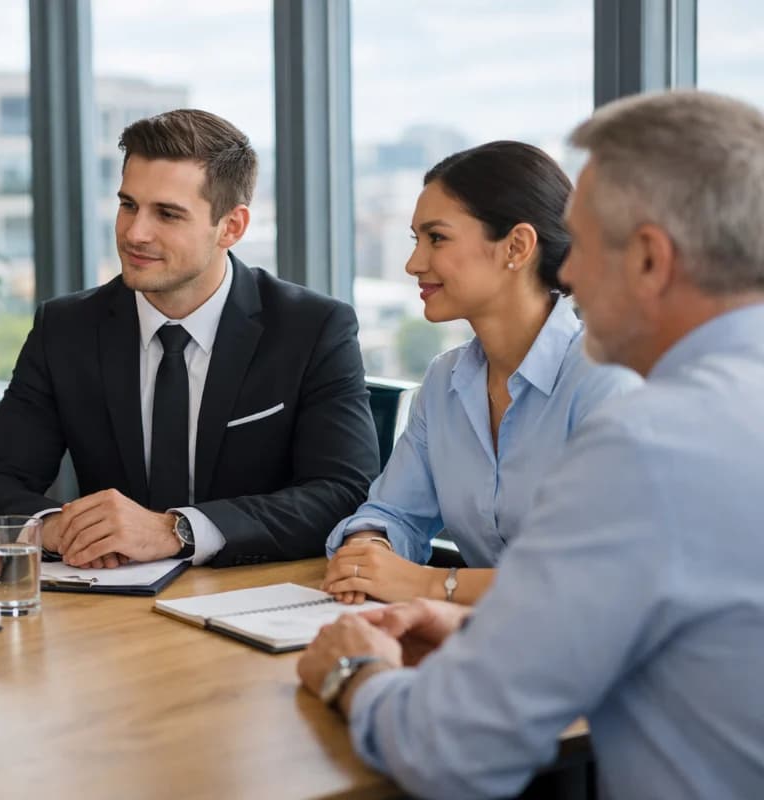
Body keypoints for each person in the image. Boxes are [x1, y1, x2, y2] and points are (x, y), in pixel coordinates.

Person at [298, 89, 764, 799]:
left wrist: (351, 668)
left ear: (649, 258)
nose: (568, 271)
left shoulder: (650, 441)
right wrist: (498, 633)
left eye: (583, 246)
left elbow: (450, 749)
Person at [0, 109, 379, 568]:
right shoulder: (66, 328)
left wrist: (177, 530)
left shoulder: (312, 328)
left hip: (252, 595)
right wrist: (57, 528)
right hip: (110, 609)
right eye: (128, 205)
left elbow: (343, 494)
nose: (135, 233)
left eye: (168, 214)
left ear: (231, 226)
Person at [322, 142, 639, 605]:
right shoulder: (444, 381)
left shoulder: (607, 383)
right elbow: (396, 510)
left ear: (517, 246)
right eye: (415, 240)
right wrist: (371, 547)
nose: (414, 264)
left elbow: (599, 575)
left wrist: (430, 585)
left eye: (437, 238)